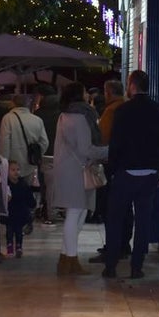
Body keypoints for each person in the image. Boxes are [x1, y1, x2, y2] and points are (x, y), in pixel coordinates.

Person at [103, 70, 159, 279]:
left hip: (125, 173)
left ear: (132, 86)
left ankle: (111, 265)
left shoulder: (122, 111)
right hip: (149, 173)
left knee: (115, 219)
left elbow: (115, 144)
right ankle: (136, 266)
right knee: (143, 220)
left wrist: (111, 170)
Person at [51, 82, 108, 275]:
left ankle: (65, 258)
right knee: (75, 214)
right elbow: (86, 149)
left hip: (67, 169)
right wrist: (109, 150)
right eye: (85, 91)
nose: (87, 95)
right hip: (77, 170)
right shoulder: (81, 116)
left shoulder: (64, 115)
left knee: (77, 214)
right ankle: (71, 259)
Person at [89, 79, 126, 254]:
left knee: (110, 207)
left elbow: (102, 138)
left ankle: (113, 247)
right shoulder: (125, 107)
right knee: (125, 209)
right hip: (125, 163)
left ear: (109, 92)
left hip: (110, 163)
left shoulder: (111, 111)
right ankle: (124, 244)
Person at [0, 93, 48, 196]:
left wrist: (4, 163)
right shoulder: (37, 120)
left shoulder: (8, 118)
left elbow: (4, 143)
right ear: (28, 104)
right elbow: (44, 142)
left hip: (13, 163)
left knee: (13, 194)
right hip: (30, 164)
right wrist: (36, 155)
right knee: (28, 192)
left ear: (13, 103)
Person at [34, 85, 62, 224]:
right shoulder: (62, 115)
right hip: (59, 154)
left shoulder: (38, 115)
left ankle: (45, 206)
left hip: (43, 154)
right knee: (56, 184)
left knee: (43, 183)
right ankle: (53, 209)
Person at [4, 160, 35, 258]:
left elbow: (29, 197)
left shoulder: (23, 184)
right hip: (9, 212)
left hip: (20, 212)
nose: (16, 172)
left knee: (18, 231)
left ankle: (19, 247)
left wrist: (31, 205)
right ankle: (9, 246)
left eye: (18, 170)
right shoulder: (5, 185)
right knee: (9, 230)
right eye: (13, 170)